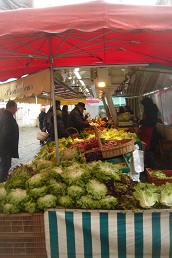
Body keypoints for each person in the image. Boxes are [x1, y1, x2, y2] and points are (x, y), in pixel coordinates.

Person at [0, 100, 19, 182]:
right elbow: (6, 133)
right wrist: (8, 147)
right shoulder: (7, 117)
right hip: (5, 148)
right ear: (11, 107)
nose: (16, 109)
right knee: (5, 166)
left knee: (4, 165)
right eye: (16, 107)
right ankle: (1, 183)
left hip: (4, 147)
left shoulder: (6, 115)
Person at [138, 97, 158, 168]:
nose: (143, 106)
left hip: (151, 133)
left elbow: (151, 122)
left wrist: (140, 121)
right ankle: (148, 165)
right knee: (147, 149)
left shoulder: (151, 110)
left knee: (149, 149)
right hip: (146, 132)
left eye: (143, 105)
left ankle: (150, 167)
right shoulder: (149, 109)